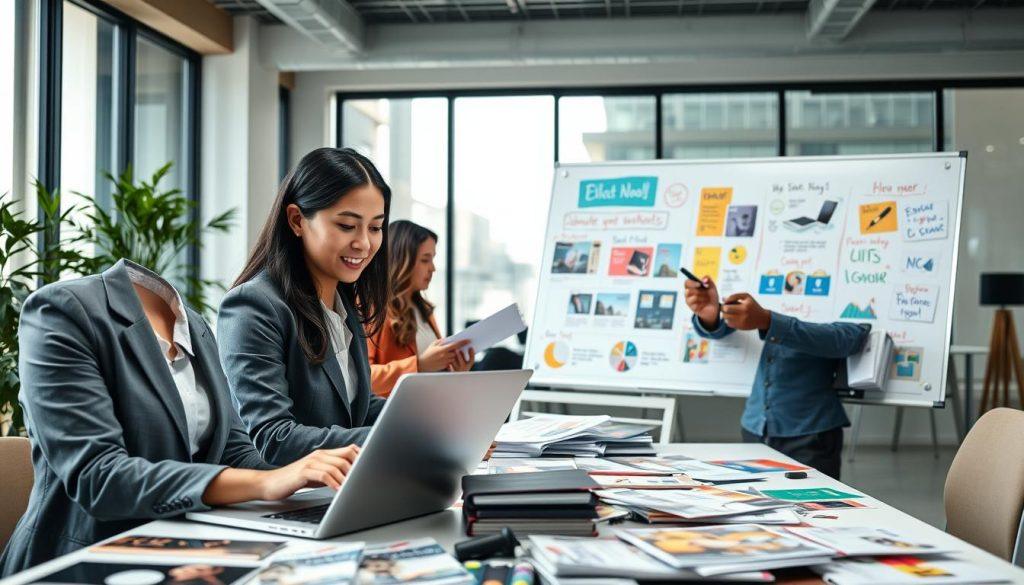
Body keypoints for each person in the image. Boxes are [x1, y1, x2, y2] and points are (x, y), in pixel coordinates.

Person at [0, 260, 359, 575]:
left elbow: (233, 451)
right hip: (80, 560)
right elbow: (101, 477)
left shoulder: (196, 326)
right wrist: (266, 483)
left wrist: (312, 476)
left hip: (182, 548)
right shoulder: (61, 312)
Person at [217, 147, 390, 466]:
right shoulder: (253, 306)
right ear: (297, 220)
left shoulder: (342, 306)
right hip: (276, 498)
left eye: (375, 227)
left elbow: (355, 409)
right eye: (347, 226)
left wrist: (434, 424)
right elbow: (274, 437)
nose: (364, 243)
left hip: (337, 487)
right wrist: (399, 437)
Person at [683, 276, 868, 479]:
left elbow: (852, 337)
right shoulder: (764, 267)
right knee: (754, 501)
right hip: (755, 426)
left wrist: (767, 320)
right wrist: (712, 317)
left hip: (810, 432)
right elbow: (738, 326)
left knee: (809, 505)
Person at [366, 220, 473, 398]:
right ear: (400, 261)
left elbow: (431, 374)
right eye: (425, 260)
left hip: (431, 408)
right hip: (395, 416)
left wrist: (455, 371)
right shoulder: (373, 309)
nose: (433, 268)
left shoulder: (423, 311)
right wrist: (419, 364)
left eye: (433, 259)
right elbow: (363, 379)